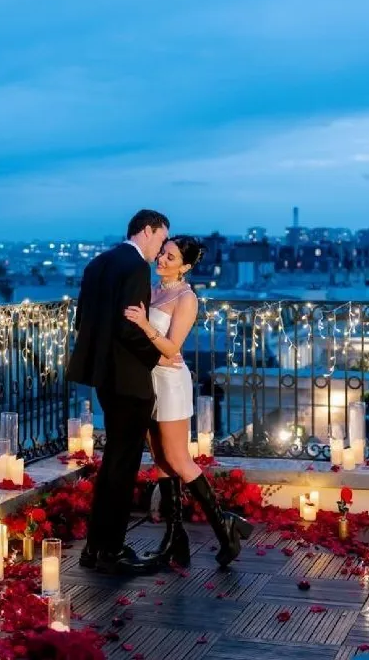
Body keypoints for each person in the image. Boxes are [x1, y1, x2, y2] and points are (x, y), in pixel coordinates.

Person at [124, 235, 253, 568]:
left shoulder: (186, 297)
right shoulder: (151, 291)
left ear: (186, 265)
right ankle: (173, 538)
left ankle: (224, 526)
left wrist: (143, 326)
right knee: (161, 461)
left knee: (179, 459)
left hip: (170, 383)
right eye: (162, 254)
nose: (162, 260)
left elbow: (171, 348)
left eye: (170, 257)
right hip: (148, 380)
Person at [66, 209, 182, 575]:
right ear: (147, 232)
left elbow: (83, 320)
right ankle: (110, 550)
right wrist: (160, 357)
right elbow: (130, 328)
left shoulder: (98, 263)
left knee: (112, 463)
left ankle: (96, 548)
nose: (161, 247)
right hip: (130, 381)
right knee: (122, 466)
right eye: (162, 239)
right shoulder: (134, 268)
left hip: (105, 379)